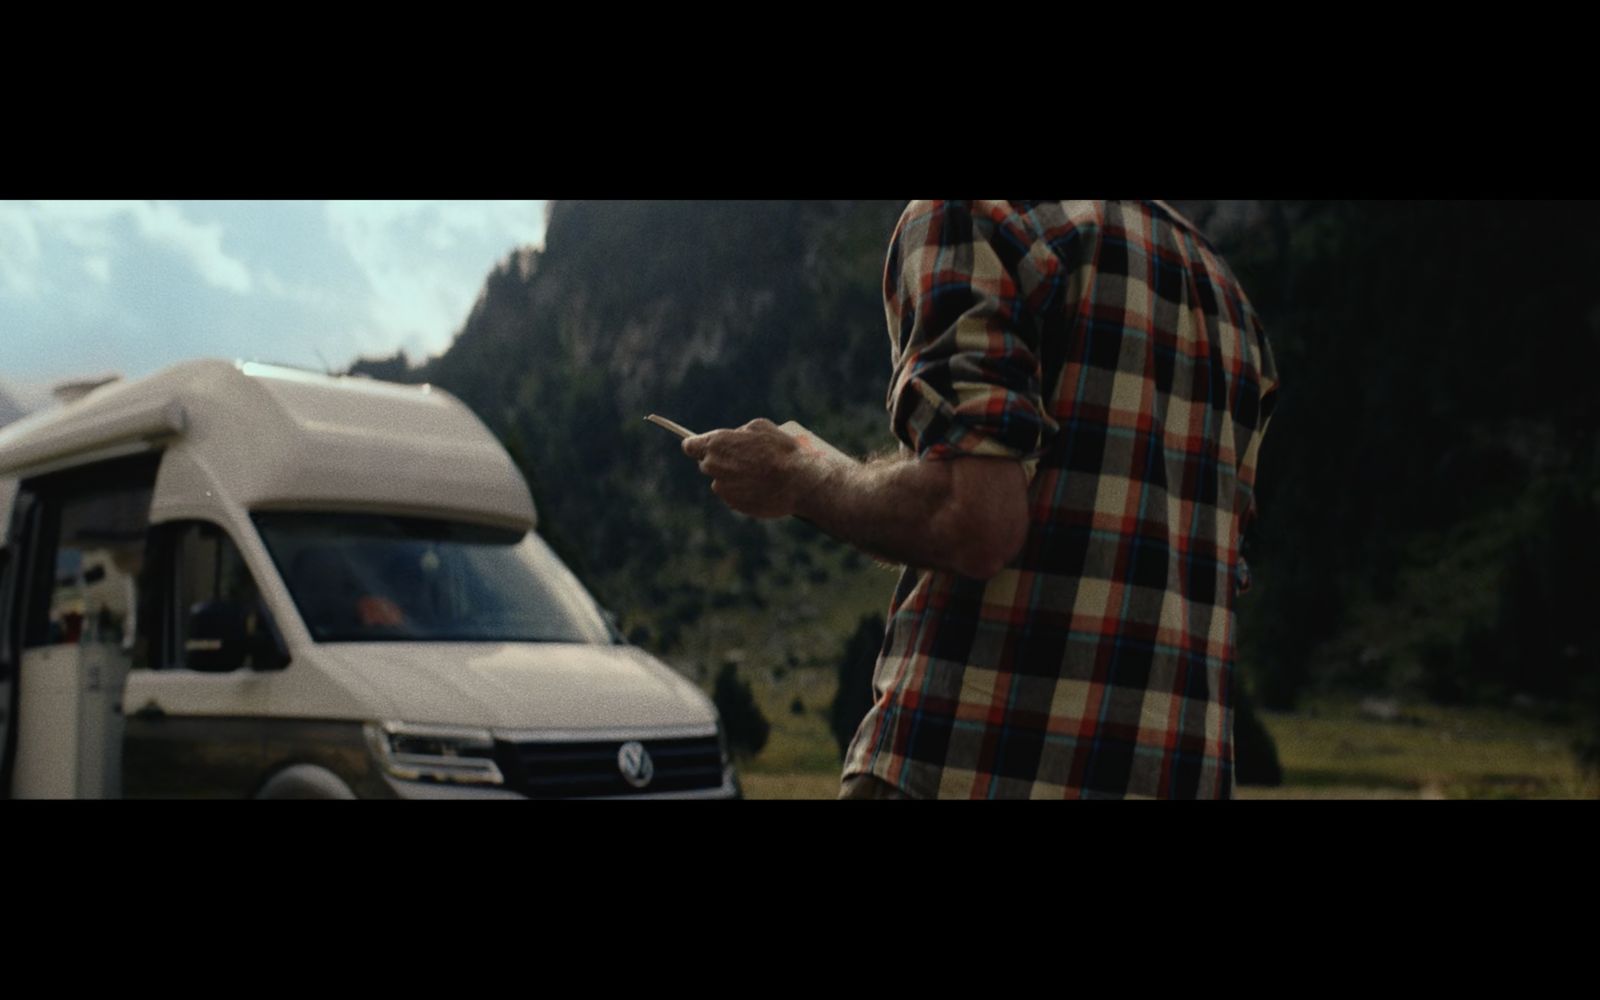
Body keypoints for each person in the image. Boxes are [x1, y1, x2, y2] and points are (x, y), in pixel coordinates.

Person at [683, 200, 1278, 799]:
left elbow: (971, 516)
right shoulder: (1221, 291)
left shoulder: (976, 213)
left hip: (974, 764)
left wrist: (799, 476)